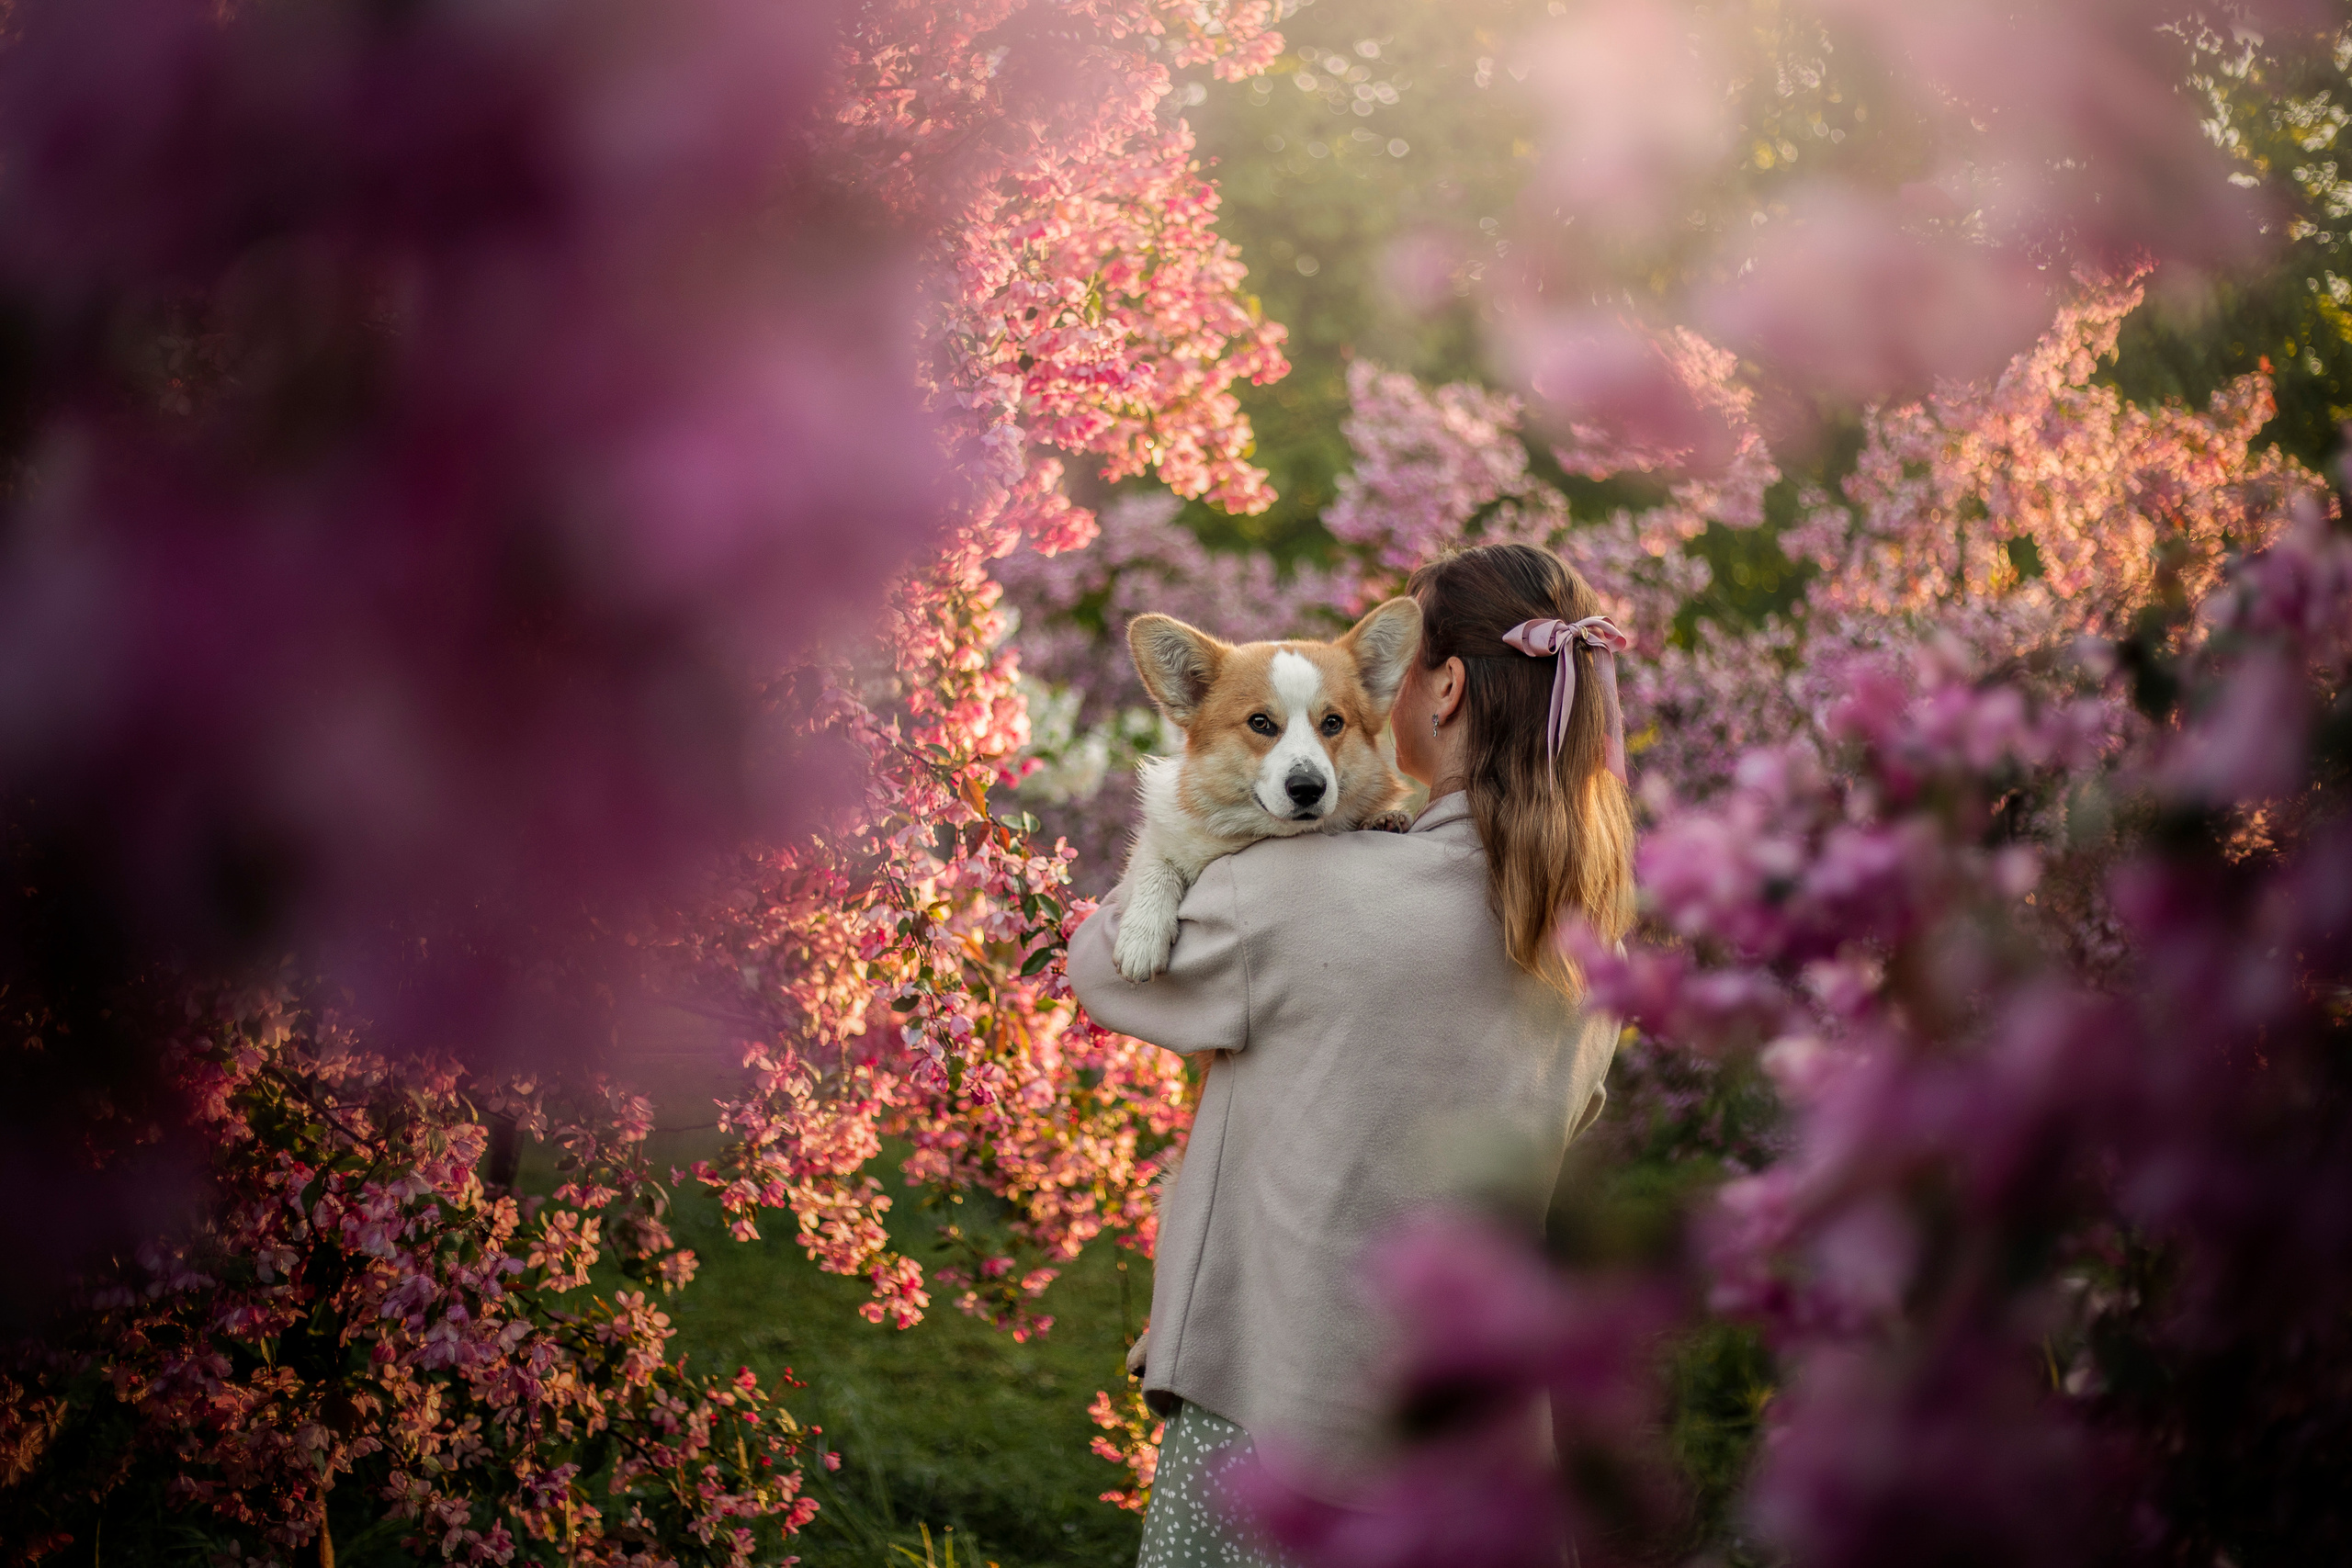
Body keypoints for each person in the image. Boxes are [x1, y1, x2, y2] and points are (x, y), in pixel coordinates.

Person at [1067, 541, 1638, 1566]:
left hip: (1283, 1415)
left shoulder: (1288, 892)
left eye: (1399, 665)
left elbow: (1105, 969)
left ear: (1447, 688)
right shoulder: (1591, 944)